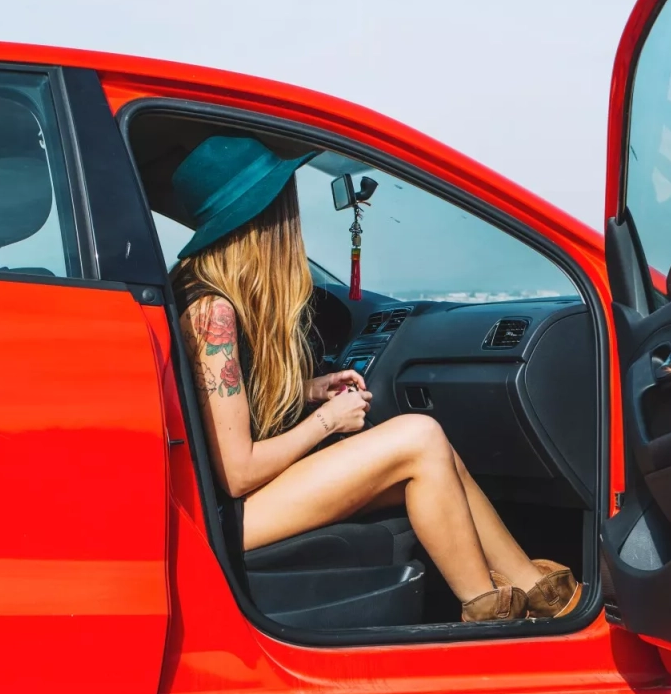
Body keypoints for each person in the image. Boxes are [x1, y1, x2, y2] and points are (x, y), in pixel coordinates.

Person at [170, 135, 581, 623]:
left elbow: (213, 404)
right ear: (266, 219)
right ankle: (488, 617)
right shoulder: (212, 310)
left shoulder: (195, 289)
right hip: (222, 518)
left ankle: (536, 591)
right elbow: (238, 472)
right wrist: (327, 419)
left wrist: (308, 390)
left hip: (227, 507)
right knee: (419, 436)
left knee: (436, 459)